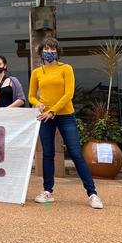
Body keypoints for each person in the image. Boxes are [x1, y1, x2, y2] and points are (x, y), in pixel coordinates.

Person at [28, 37, 103, 209]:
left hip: (64, 115)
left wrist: (53, 111)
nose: (50, 51)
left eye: (53, 49)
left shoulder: (66, 68)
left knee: (76, 153)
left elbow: (69, 94)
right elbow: (31, 95)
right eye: (46, 48)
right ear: (41, 51)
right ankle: (48, 191)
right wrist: (37, 103)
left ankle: (92, 194)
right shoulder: (37, 72)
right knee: (47, 154)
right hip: (44, 117)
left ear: (58, 51)